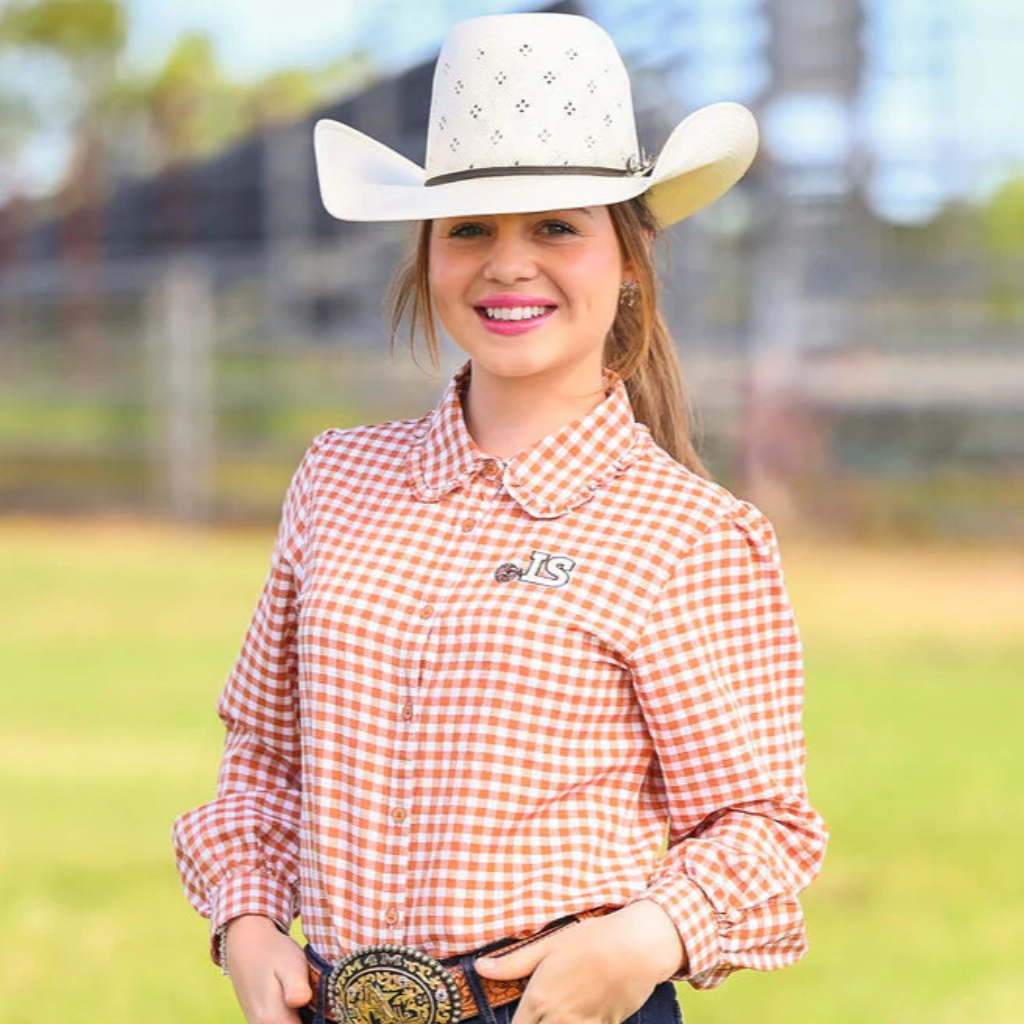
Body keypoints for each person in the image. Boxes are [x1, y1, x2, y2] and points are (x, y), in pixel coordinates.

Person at [172, 13, 827, 1024]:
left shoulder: (689, 533)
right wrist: (250, 921)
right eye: (470, 229)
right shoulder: (336, 481)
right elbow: (265, 755)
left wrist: (643, 940)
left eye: (556, 227)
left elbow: (762, 823)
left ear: (631, 260)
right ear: (426, 254)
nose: (508, 264)